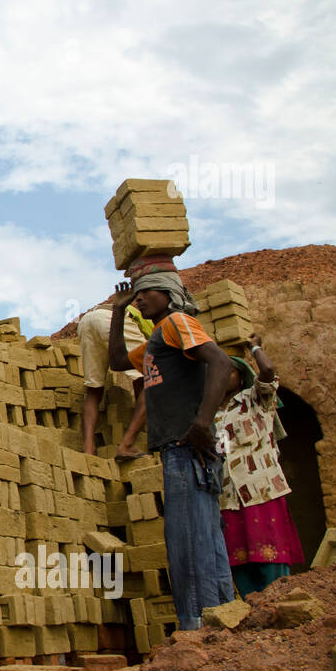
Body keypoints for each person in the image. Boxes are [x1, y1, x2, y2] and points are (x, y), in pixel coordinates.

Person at [108, 270, 236, 630]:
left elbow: (221, 362)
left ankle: (197, 627)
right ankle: (221, 619)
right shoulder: (157, 339)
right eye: (137, 294)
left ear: (169, 295)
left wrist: (201, 422)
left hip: (187, 448)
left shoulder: (178, 322)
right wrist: (118, 312)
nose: (140, 298)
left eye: (148, 292)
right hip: (176, 450)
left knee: (187, 540)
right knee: (204, 538)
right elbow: (118, 362)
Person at [214, 333, 304, 596]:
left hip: (260, 491)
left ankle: (280, 603)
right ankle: (255, 609)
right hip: (228, 497)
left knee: (270, 555)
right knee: (238, 561)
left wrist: (254, 347)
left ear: (241, 376)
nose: (222, 375)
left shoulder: (255, 399)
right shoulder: (209, 413)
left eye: (229, 371)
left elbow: (267, 370)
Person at [78, 304, 151, 458]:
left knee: (94, 390)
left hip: (86, 321)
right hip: (112, 319)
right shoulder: (159, 324)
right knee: (148, 382)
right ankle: (127, 445)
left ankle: (89, 449)